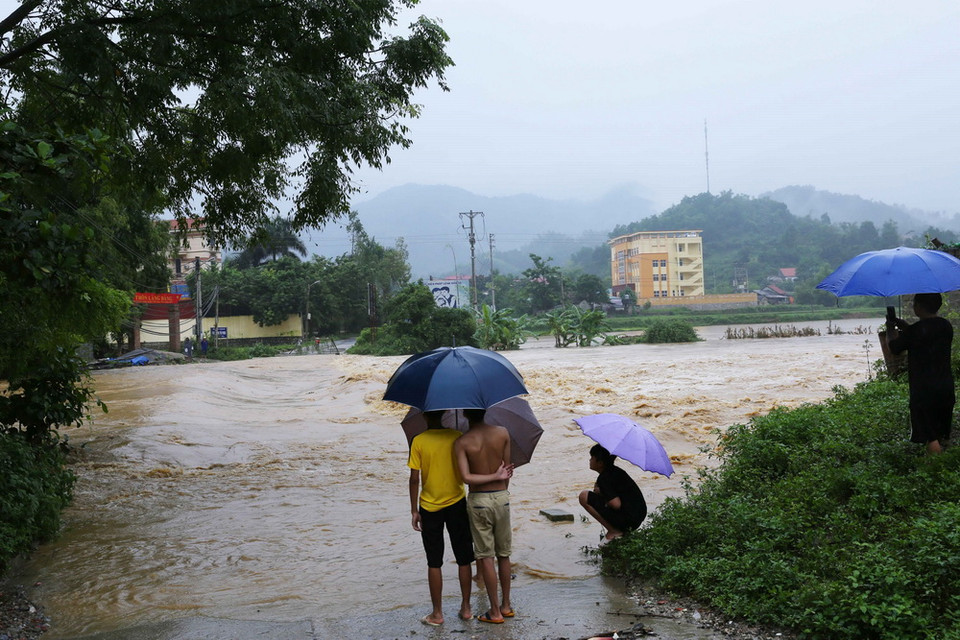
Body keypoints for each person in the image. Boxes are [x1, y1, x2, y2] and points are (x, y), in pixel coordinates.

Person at [408, 410, 474, 627]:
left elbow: (414, 479)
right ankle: (466, 607)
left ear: (425, 417)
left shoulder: (418, 440)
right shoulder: (456, 436)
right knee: (464, 558)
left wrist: (413, 510)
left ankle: (437, 613)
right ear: (445, 415)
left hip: (429, 506)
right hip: (457, 502)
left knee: (434, 561)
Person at [453, 408, 515, 624]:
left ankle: (495, 611)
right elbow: (507, 471)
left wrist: (490, 476)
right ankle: (506, 606)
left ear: (465, 414)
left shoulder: (462, 442)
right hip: (501, 497)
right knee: (504, 553)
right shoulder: (503, 433)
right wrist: (498, 479)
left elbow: (466, 478)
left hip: (479, 500)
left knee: (485, 556)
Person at [887, 292, 955, 454]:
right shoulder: (946, 325)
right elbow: (926, 335)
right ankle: (948, 464)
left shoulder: (915, 331)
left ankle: (934, 470)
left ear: (918, 307)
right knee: (942, 433)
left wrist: (891, 330)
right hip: (946, 387)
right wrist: (906, 327)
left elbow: (894, 348)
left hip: (924, 390)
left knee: (930, 436)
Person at [579, 444, 647, 541]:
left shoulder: (604, 478)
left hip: (628, 520)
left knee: (584, 496)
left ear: (600, 463)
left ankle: (614, 530)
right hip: (637, 518)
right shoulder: (616, 471)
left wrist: (602, 492)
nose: (590, 460)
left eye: (592, 458)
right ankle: (619, 529)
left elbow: (616, 505)